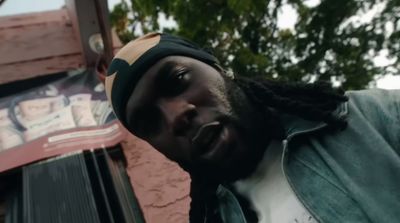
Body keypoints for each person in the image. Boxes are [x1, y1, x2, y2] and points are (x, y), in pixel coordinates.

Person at [105, 32, 400, 223]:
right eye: (150, 123)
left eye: (179, 80)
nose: (175, 117)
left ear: (220, 69)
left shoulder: (369, 118)